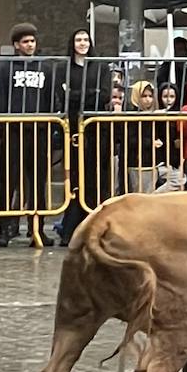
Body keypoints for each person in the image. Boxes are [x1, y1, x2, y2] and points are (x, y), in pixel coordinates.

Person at [0, 23, 63, 248]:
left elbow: (51, 96)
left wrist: (50, 123)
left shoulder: (45, 67)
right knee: (9, 181)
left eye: (32, 41)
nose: (30, 45)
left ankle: (37, 228)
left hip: (39, 130)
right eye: (25, 42)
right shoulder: (6, 67)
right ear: (16, 45)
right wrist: (3, 126)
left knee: (38, 182)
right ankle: (4, 229)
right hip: (14, 130)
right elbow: (2, 98)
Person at [60, 28, 114, 246]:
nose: (82, 43)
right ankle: (71, 226)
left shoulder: (100, 67)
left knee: (95, 175)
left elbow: (104, 94)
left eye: (85, 39)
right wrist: (82, 95)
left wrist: (77, 94)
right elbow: (62, 94)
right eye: (78, 39)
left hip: (94, 128)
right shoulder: (65, 67)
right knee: (74, 176)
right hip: (72, 127)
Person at [123, 81, 164, 192]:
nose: (148, 99)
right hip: (136, 163)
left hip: (152, 163)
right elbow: (130, 140)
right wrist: (151, 143)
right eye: (144, 96)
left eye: (150, 96)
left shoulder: (153, 114)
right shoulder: (131, 115)